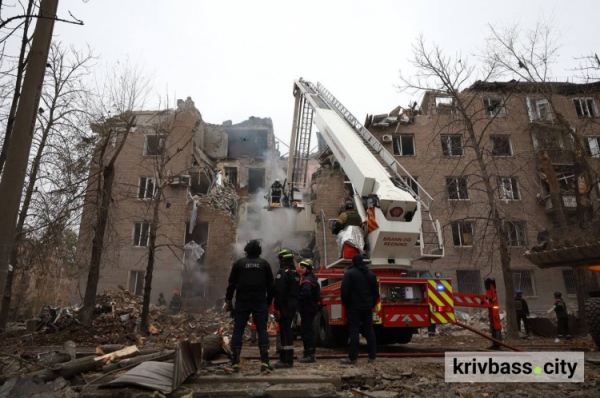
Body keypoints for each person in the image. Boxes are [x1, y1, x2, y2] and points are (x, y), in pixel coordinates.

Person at [225, 240, 274, 372]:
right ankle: (264, 363)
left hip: (242, 300)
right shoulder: (264, 264)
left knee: (238, 330)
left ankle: (235, 363)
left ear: (246, 250)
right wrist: (269, 302)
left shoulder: (239, 264)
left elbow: (231, 284)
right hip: (260, 300)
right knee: (262, 330)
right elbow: (271, 286)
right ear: (259, 250)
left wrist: (228, 300)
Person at [340, 254, 379, 365]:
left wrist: (347, 305)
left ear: (353, 262)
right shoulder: (371, 275)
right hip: (367, 307)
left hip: (354, 307)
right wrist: (371, 304)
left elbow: (345, 291)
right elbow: (376, 292)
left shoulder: (350, 274)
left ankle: (353, 358)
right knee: (369, 331)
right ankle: (372, 357)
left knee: (354, 332)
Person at [272, 248, 300, 368]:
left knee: (284, 332)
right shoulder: (295, 272)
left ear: (283, 259)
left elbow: (279, 292)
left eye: (280, 258)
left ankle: (286, 360)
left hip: (284, 306)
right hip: (292, 305)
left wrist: (276, 308)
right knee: (288, 330)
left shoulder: (283, 272)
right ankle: (287, 358)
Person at [298, 259, 321, 363]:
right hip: (310, 309)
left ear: (308, 269)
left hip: (307, 309)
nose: (301, 269)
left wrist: (296, 299)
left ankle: (309, 354)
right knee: (307, 330)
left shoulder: (307, 280)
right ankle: (308, 353)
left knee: (306, 332)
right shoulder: (311, 278)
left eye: (303, 267)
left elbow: (305, 294)